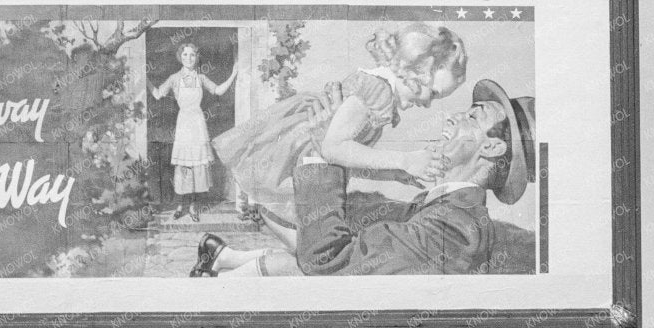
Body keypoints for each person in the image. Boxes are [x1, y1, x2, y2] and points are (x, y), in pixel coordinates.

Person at [191, 79, 534, 278]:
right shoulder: (438, 209)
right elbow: (326, 235)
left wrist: (323, 149)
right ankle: (225, 263)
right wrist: (265, 202)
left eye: (473, 117)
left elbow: (325, 260)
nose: (453, 117)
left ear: (492, 146)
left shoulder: (454, 230)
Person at [211, 22, 469, 214]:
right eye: (432, 93)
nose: (427, 104)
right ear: (415, 70)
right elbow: (334, 148)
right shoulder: (377, 90)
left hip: (315, 172)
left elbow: (349, 158)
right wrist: (406, 160)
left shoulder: (381, 95)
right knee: (318, 248)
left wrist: (393, 173)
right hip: (297, 170)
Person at [148, 43, 235, 222]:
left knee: (197, 166)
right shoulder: (174, 78)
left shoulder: (201, 78)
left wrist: (234, 73)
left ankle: (194, 206)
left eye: (192, 55)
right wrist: (144, 79)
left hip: (198, 124)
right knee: (183, 166)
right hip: (184, 124)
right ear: (180, 57)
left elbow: (218, 90)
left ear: (197, 57)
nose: (189, 58)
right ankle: (181, 205)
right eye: (185, 55)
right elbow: (157, 94)